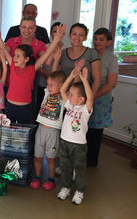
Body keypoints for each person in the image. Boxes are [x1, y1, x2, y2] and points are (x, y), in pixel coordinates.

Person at [0, 20, 65, 124]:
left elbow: (47, 53)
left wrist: (56, 39)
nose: (14, 58)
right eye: (14, 55)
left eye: (18, 56)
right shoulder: (12, 65)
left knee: (24, 134)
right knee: (8, 133)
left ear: (26, 59)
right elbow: (3, 47)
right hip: (10, 106)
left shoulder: (32, 68)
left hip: (25, 107)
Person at [57, 64, 93, 205]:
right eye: (70, 94)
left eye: (72, 94)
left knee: (79, 169)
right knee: (65, 167)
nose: (69, 95)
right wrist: (72, 75)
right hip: (64, 141)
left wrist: (84, 80)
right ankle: (65, 187)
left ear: (81, 100)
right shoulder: (69, 105)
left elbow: (90, 98)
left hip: (78, 146)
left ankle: (79, 191)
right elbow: (62, 90)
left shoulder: (85, 110)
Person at [31, 69, 67, 191]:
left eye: (51, 85)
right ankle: (37, 177)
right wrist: (56, 60)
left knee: (51, 158)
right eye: (48, 84)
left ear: (62, 86)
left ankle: (51, 180)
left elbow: (63, 85)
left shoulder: (64, 99)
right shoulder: (47, 93)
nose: (49, 87)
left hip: (53, 132)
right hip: (40, 129)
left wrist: (73, 75)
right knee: (38, 157)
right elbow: (52, 75)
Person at [87, 28, 118, 167]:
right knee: (81, 128)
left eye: (101, 39)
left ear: (108, 42)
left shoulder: (112, 59)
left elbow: (111, 84)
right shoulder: (88, 53)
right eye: (95, 38)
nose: (97, 42)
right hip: (84, 95)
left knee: (95, 131)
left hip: (101, 98)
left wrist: (92, 96)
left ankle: (91, 161)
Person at [54, 23, 101, 97]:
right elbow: (55, 75)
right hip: (63, 95)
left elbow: (97, 80)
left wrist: (91, 99)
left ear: (85, 37)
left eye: (81, 35)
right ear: (70, 36)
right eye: (74, 34)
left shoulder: (92, 53)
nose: (77, 37)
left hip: (81, 98)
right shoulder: (62, 53)